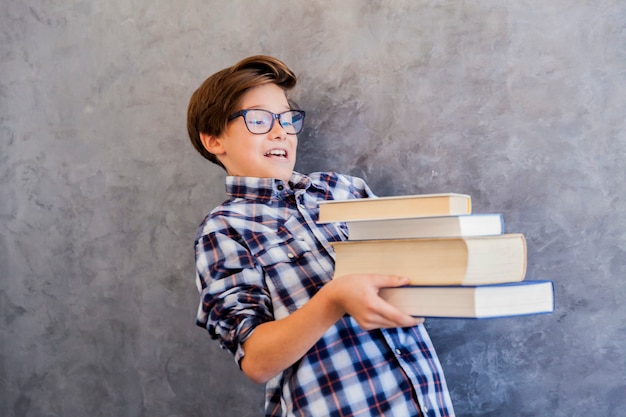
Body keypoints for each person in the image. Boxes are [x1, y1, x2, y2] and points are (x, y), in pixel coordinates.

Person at [187, 55, 455, 417]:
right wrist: (333, 299)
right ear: (214, 139)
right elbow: (256, 360)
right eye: (259, 119)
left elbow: (406, 266)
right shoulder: (224, 229)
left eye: (286, 119)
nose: (280, 130)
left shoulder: (344, 189)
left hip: (425, 403)